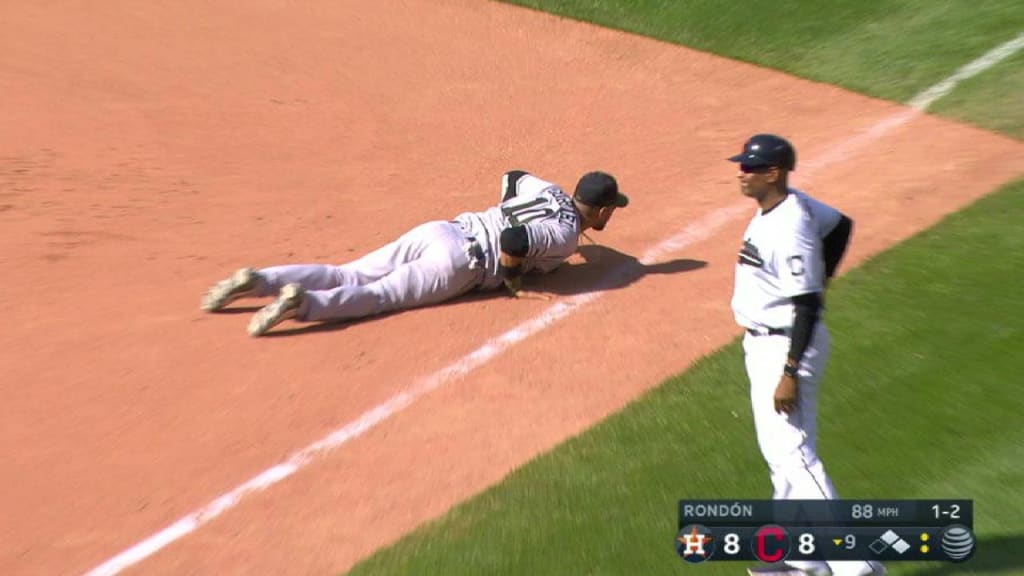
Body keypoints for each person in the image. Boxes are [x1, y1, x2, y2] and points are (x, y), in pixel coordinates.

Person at [201, 170, 628, 336]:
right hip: (462, 265)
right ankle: (304, 304)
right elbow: (515, 243)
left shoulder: (549, 189)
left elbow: (513, 177)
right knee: (380, 296)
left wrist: (497, 217)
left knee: (349, 270)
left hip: (443, 230)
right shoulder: (567, 235)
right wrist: (515, 283)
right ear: (605, 210)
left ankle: (263, 280)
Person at [728, 134, 884, 576]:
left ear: (774, 173)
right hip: (768, 343)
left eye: (750, 168)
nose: (742, 174)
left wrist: (789, 371)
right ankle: (801, 559)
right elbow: (841, 225)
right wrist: (822, 273)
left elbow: (808, 304)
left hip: (783, 346)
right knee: (783, 454)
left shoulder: (789, 227)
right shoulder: (793, 205)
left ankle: (857, 565)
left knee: (794, 454)